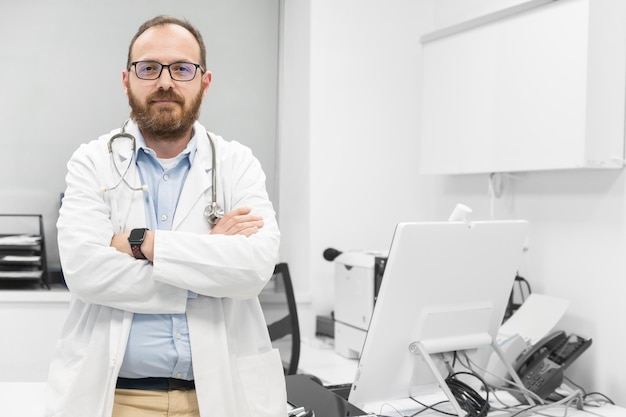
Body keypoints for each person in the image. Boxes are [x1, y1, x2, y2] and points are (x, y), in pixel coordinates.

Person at [45, 15, 286, 417]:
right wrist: (208, 265)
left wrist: (145, 243)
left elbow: (255, 269)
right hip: (116, 398)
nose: (165, 81)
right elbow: (85, 271)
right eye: (149, 68)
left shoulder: (236, 162)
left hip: (221, 396)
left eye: (182, 68)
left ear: (203, 82)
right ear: (127, 79)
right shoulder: (91, 161)